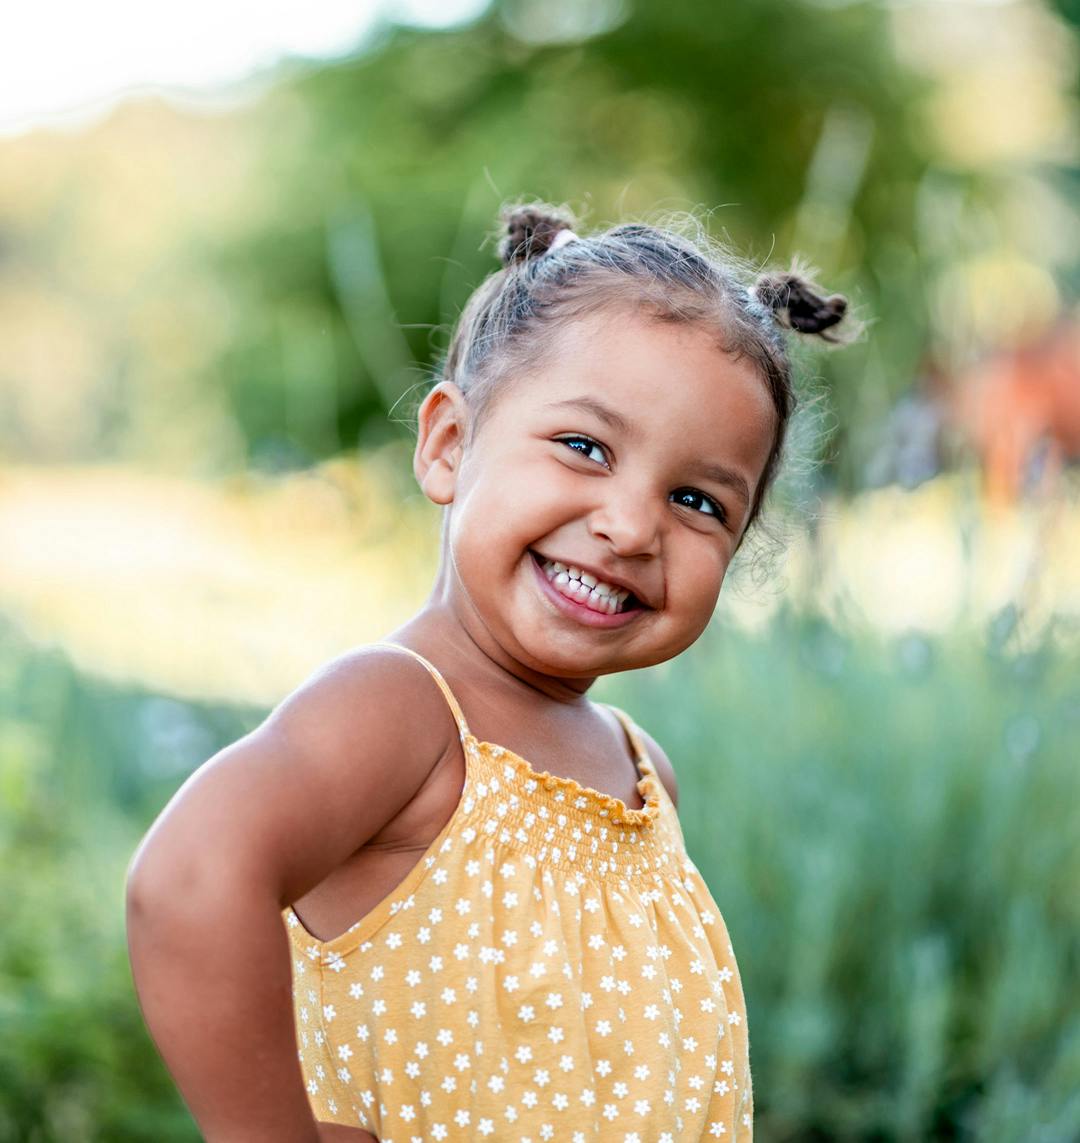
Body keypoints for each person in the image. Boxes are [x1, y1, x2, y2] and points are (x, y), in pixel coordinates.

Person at [125, 202, 854, 1142]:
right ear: (448, 445)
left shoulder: (644, 776)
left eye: (696, 499)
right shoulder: (401, 713)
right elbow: (189, 879)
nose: (632, 528)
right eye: (585, 448)